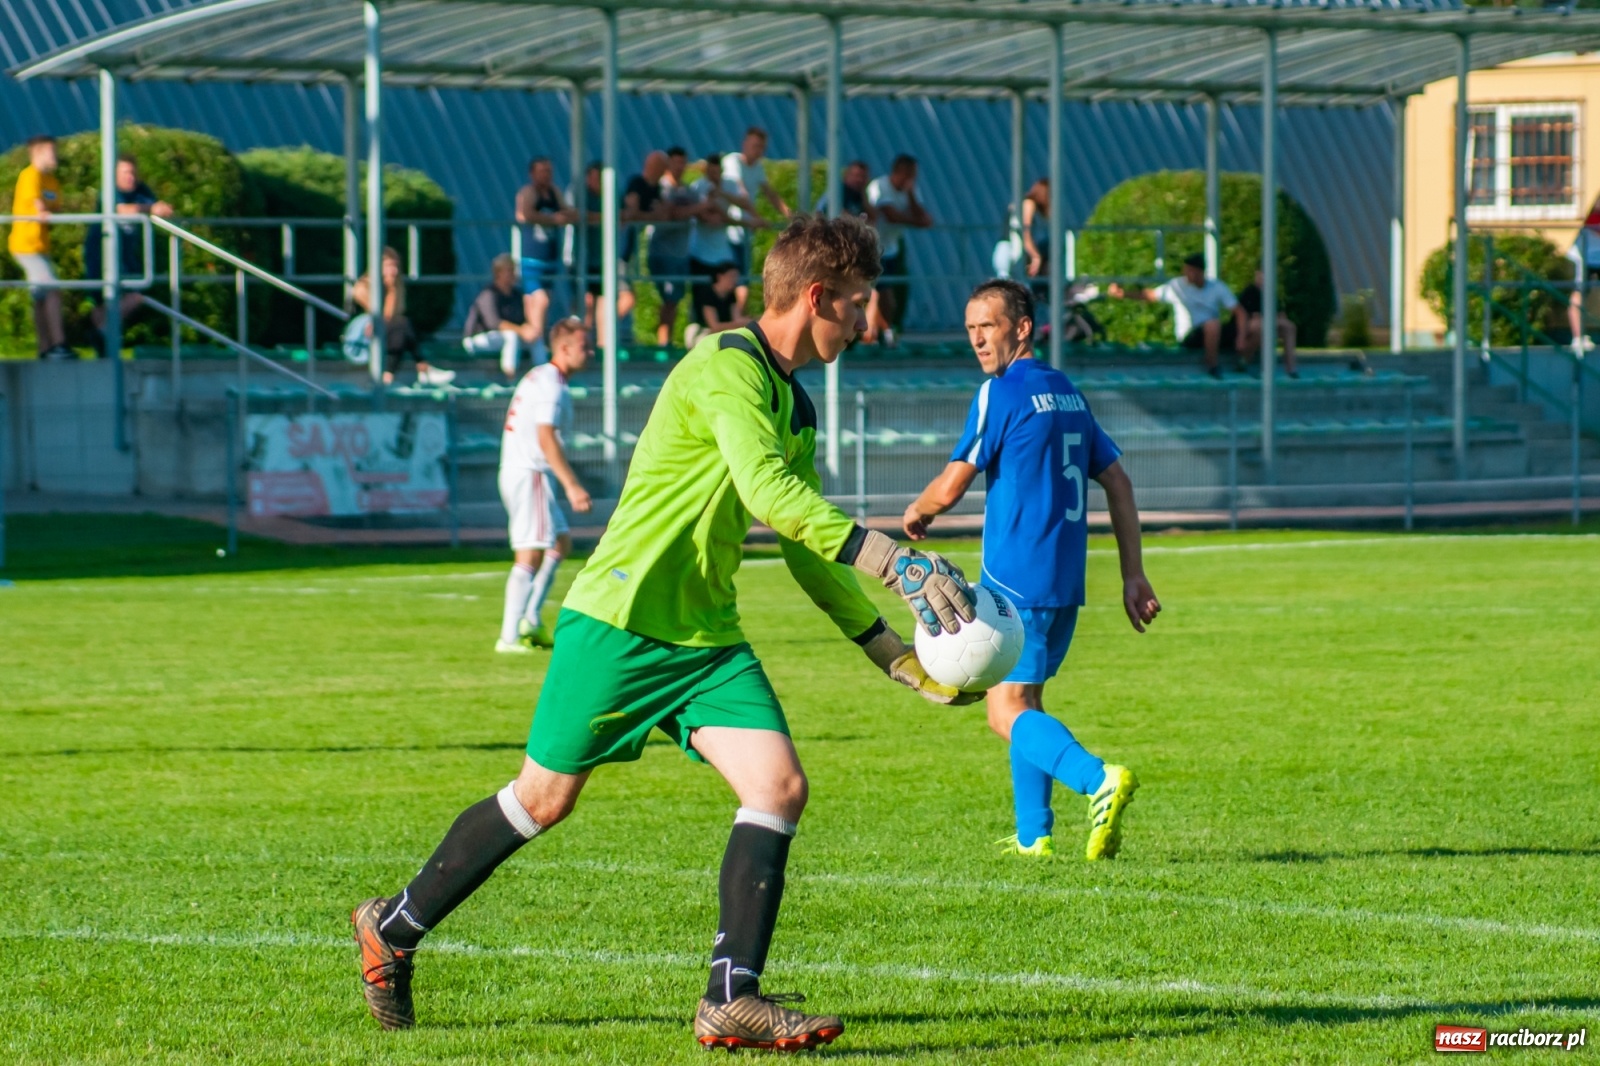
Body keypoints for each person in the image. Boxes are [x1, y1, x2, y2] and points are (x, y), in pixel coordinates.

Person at [351, 214, 982, 1051]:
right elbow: (766, 491)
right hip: (621, 622)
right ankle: (393, 926)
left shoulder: (794, 403)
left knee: (779, 788)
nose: (866, 322)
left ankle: (731, 996)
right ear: (819, 296)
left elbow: (800, 537)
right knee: (543, 800)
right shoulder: (725, 365)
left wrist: (887, 650)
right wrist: (895, 560)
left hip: (706, 639)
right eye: (858, 304)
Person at [903, 277, 1159, 860]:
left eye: (987, 326)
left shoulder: (1002, 393)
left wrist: (918, 511)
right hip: (1065, 582)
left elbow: (953, 483)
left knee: (1005, 710)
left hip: (1015, 581)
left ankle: (1098, 780)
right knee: (1025, 701)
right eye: (970, 329)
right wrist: (1132, 574)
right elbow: (1116, 478)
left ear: (1023, 328)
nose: (977, 339)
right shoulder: (1066, 392)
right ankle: (1032, 836)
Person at [495, 316, 593, 654]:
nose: (590, 352)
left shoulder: (545, 377)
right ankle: (509, 636)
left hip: (522, 471)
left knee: (560, 543)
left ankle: (531, 619)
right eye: (584, 346)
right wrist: (572, 485)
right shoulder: (550, 382)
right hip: (530, 473)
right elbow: (545, 434)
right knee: (530, 553)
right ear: (564, 348)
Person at [83, 155, 175, 355]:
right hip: (101, 254)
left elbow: (157, 205)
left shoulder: (140, 191)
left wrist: (162, 208)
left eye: (133, 172)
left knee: (129, 297)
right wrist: (150, 208)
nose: (130, 177)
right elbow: (121, 209)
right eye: (125, 173)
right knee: (112, 300)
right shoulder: (110, 191)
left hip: (125, 256)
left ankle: (103, 340)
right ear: (114, 175)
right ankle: (103, 340)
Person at [1108, 253, 1246, 378]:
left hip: (1212, 334)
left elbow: (1239, 312)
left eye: (1189, 271)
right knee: (1213, 324)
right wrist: (1123, 293)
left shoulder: (1216, 287)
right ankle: (1212, 365)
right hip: (1190, 336)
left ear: (1199, 272)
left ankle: (1243, 363)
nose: (1185, 274)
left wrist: (1241, 337)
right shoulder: (1177, 286)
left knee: (1256, 326)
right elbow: (1150, 295)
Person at [352, 246, 454, 386]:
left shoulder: (396, 285)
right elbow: (383, 316)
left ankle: (391, 374)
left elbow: (396, 314)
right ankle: (422, 368)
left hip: (388, 333)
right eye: (389, 266)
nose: (394, 271)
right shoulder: (363, 286)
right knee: (403, 325)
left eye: (396, 266)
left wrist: (393, 289)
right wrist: (391, 291)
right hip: (363, 335)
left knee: (402, 328)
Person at [8, 135, 70, 360]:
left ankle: (45, 347)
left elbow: (56, 209)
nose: (55, 157)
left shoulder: (51, 180)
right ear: (38, 153)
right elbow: (40, 208)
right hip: (27, 246)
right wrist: (43, 212)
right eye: (51, 152)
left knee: (41, 296)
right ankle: (58, 343)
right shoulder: (30, 176)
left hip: (41, 246)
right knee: (52, 290)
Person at [865, 155, 932, 346]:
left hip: (890, 249)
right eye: (910, 175)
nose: (912, 180)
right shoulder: (880, 187)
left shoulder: (910, 190)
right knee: (874, 292)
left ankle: (880, 333)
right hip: (872, 248)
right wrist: (914, 222)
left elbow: (924, 217)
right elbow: (890, 215)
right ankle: (874, 333)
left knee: (885, 292)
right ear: (900, 172)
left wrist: (911, 196)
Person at [568, 161, 635, 345]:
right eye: (594, 178)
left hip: (604, 259)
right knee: (586, 303)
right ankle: (582, 342)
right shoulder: (577, 193)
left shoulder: (612, 194)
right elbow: (575, 214)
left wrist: (612, 217)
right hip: (580, 257)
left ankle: (602, 344)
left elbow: (623, 215)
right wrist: (606, 217)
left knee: (606, 301)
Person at [513, 156, 575, 351]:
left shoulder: (553, 192)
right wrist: (552, 219)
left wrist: (566, 216)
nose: (546, 175)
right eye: (542, 171)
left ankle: (534, 342)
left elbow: (566, 211)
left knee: (539, 303)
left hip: (550, 257)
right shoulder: (528, 192)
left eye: (549, 171)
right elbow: (526, 214)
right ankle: (537, 346)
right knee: (540, 300)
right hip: (532, 257)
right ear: (532, 173)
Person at [689, 153, 757, 320]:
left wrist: (722, 194)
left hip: (722, 254)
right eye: (711, 172)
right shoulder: (697, 187)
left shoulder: (730, 185)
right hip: (700, 254)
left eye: (717, 172)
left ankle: (729, 326)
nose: (714, 176)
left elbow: (745, 204)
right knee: (701, 297)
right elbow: (706, 214)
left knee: (729, 294)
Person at [721, 126, 788, 291]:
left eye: (761, 147)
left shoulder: (758, 168)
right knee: (730, 281)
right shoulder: (732, 162)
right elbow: (741, 194)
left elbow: (770, 194)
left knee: (742, 281)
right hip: (728, 232)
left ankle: (737, 315)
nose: (758, 151)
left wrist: (792, 216)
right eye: (755, 145)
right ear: (745, 144)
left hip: (745, 233)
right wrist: (758, 218)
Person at [649, 146, 701, 344]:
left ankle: (667, 341)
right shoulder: (661, 187)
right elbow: (671, 213)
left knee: (675, 300)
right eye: (676, 162)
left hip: (681, 253)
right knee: (667, 299)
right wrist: (697, 208)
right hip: (662, 253)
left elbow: (699, 212)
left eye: (683, 162)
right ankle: (663, 342)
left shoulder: (688, 190)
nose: (680, 167)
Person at [462, 254, 545, 378]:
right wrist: (522, 331)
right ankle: (509, 377)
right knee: (511, 336)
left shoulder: (516, 294)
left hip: (506, 338)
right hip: (477, 339)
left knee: (535, 339)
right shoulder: (488, 294)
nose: (513, 274)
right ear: (498, 273)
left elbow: (522, 320)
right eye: (509, 271)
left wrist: (530, 330)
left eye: (514, 270)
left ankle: (543, 375)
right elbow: (493, 323)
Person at [1236, 268, 1299, 378]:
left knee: (1289, 327)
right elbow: (1251, 316)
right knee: (1261, 327)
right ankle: (1245, 361)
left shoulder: (1272, 294)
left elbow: (1281, 315)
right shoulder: (1249, 292)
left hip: (1268, 323)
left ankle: (1291, 368)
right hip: (1250, 327)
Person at [684, 260, 752, 348]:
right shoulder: (707, 294)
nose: (734, 280)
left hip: (722, 333)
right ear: (720, 276)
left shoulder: (731, 295)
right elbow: (714, 326)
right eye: (731, 276)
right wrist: (742, 323)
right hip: (702, 332)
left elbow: (737, 318)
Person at [1566, 201, 1600, 354]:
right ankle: (1578, 337)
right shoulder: (1590, 210)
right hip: (1584, 255)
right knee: (1579, 291)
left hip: (1595, 254)